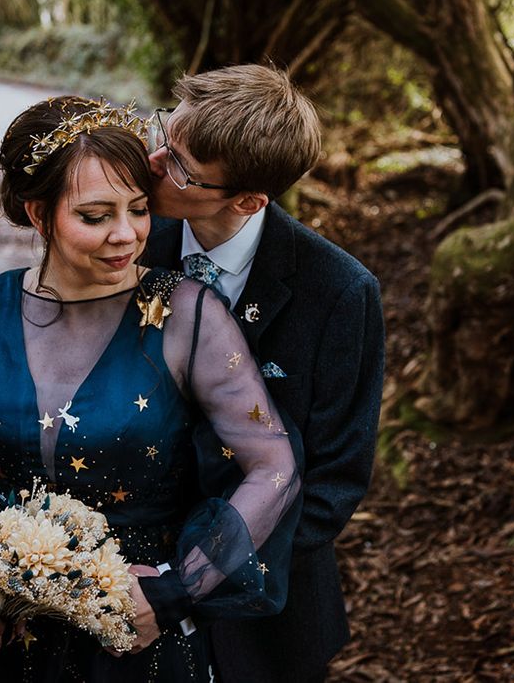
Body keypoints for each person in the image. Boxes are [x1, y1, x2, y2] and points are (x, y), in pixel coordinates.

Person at [0, 95, 303, 682]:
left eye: (138, 209)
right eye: (95, 215)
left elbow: (273, 467)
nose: (126, 235)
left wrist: (176, 589)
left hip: (132, 639)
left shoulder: (186, 314)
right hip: (3, 630)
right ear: (39, 215)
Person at [142, 64, 385, 683]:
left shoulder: (340, 293)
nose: (152, 161)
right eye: (162, 135)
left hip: (263, 616)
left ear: (249, 200)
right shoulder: (129, 246)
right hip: (122, 585)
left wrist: (196, 580)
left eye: (180, 168)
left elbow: (333, 482)